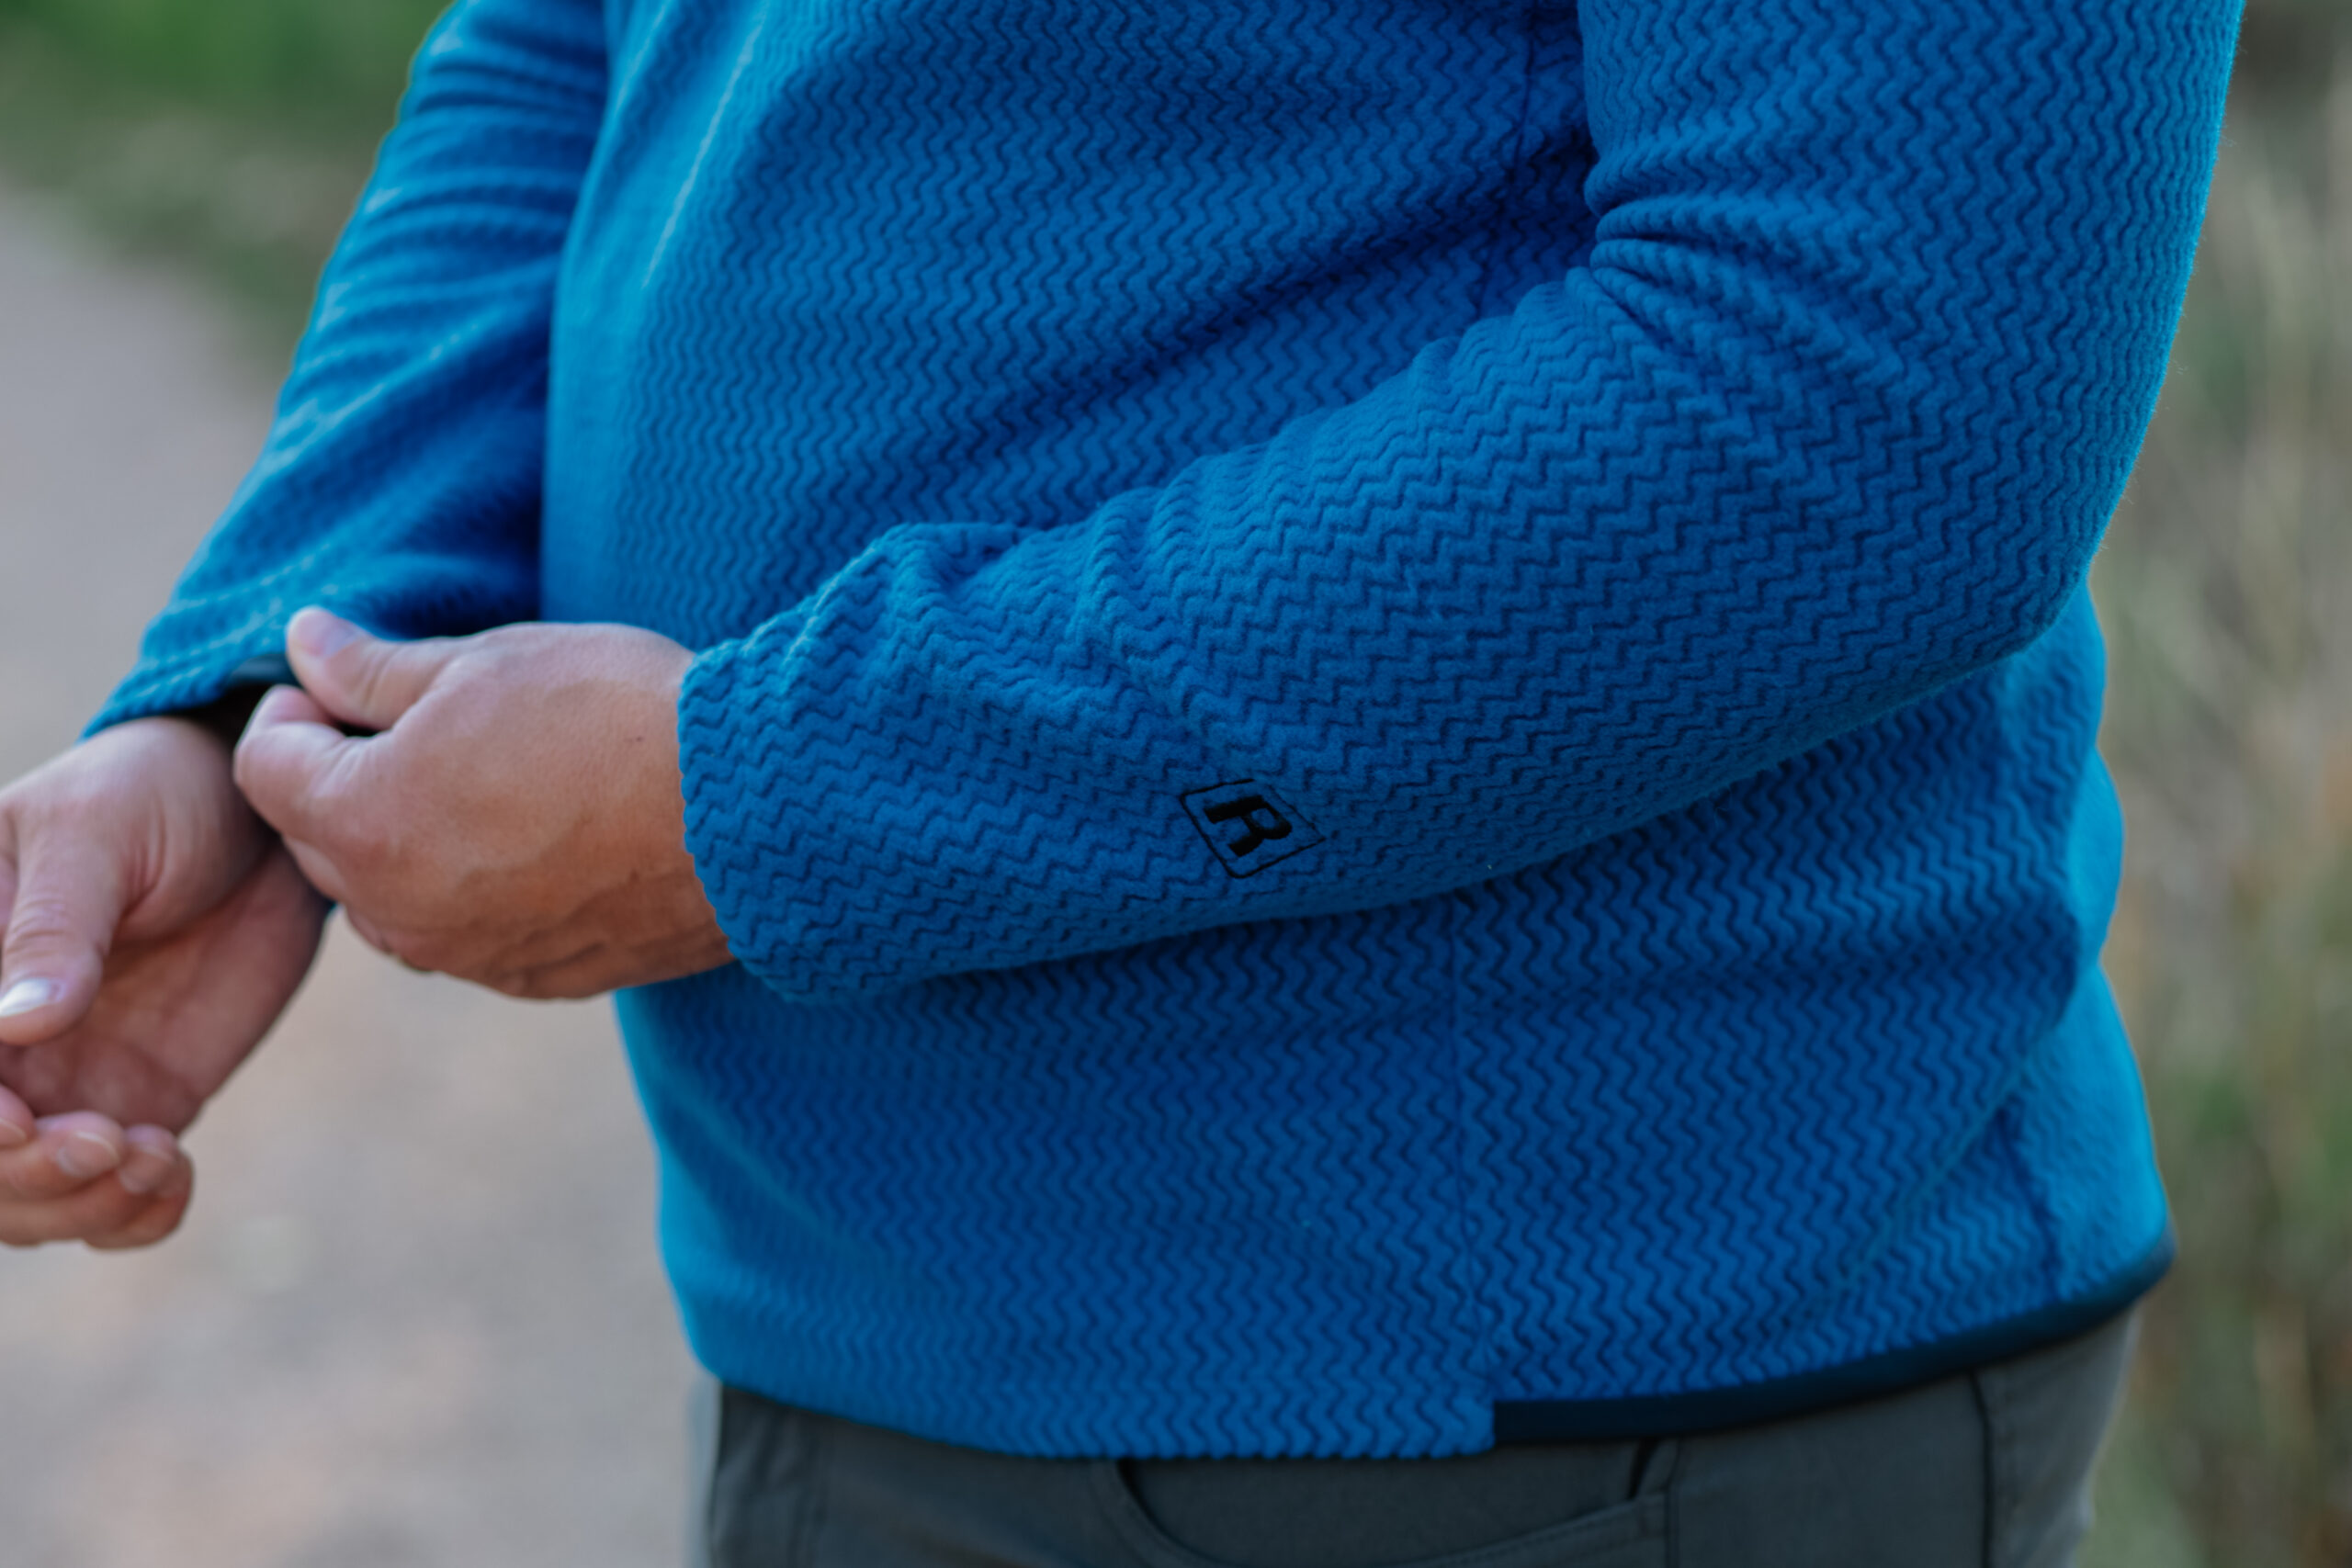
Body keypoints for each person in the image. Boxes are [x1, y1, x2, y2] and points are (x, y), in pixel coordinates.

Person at [0, 0, 2239, 1560]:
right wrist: (251, 695)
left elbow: (1855, 400)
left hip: (1534, 1397)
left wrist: (764, 800)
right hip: (855, 1313)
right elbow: (579, 45)